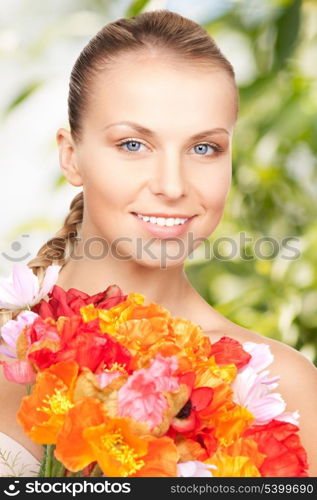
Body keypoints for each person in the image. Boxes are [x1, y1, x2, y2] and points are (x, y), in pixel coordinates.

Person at [1, 9, 316, 477]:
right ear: (71, 157)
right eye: (133, 144)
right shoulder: (13, 349)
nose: (172, 185)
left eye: (204, 148)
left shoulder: (281, 384)